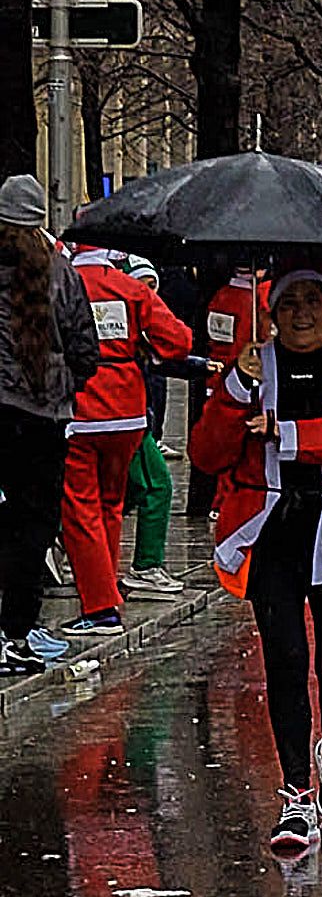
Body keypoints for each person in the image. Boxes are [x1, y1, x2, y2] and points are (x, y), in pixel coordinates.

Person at [189, 264, 322, 847]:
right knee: (285, 656)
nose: (302, 314)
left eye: (315, 302)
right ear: (271, 314)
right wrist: (235, 386)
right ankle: (295, 795)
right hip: (271, 531)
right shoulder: (252, 370)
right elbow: (207, 454)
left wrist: (293, 436)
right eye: (289, 304)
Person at [63, 242, 194, 636]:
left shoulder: (63, 281)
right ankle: (109, 587)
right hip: (128, 412)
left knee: (80, 509)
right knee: (110, 505)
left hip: (80, 406)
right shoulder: (130, 288)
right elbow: (180, 341)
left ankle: (100, 607)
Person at [0, 177, 99, 675]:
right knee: (32, 526)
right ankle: (14, 632)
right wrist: (63, 382)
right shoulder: (61, 272)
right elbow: (86, 349)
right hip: (42, 419)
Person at [114, 254, 191, 601]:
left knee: (113, 493)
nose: (150, 294)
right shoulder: (129, 302)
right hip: (123, 413)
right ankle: (145, 566)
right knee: (157, 484)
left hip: (95, 413)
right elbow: (178, 340)